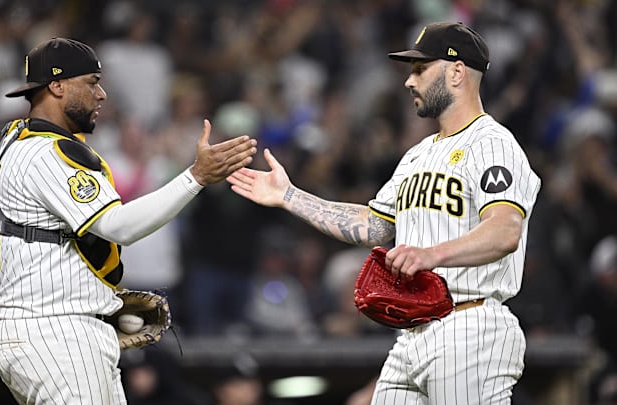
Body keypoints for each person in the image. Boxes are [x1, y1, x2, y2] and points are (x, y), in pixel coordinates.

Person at [227, 21, 541, 404]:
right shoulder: (417, 155)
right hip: (413, 334)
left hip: (470, 324)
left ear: (457, 71)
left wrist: (431, 254)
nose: (410, 81)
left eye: (420, 68)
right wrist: (290, 196)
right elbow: (374, 226)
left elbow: (505, 230)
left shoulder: (493, 145)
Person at [0, 37, 256, 404]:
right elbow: (118, 226)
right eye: (91, 82)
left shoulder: (12, 146)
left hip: (42, 329)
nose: (102, 94)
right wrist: (197, 177)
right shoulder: (48, 151)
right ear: (57, 86)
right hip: (58, 333)